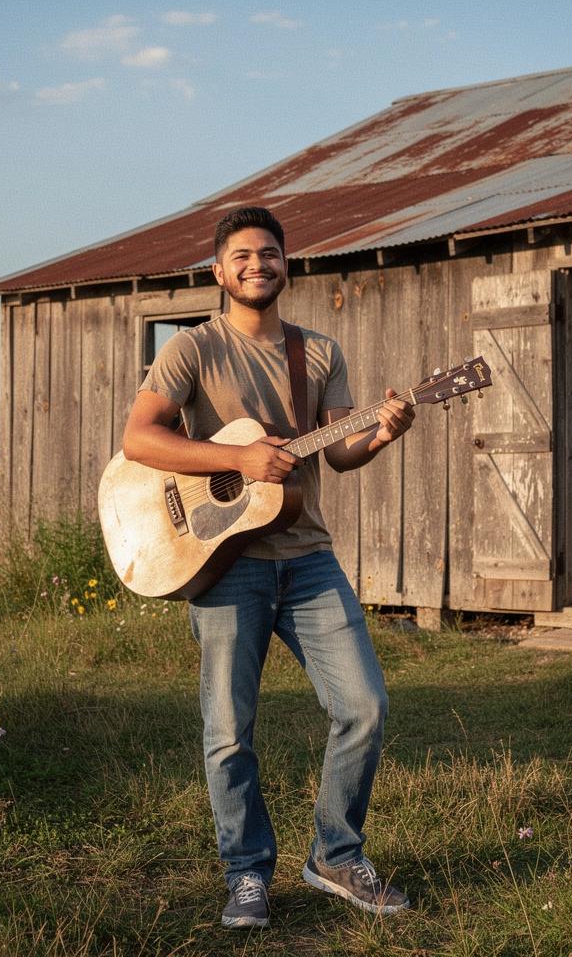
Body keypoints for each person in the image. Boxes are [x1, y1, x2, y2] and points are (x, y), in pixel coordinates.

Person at [121, 206, 414, 929]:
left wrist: (380, 432)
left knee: (365, 706)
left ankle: (336, 856)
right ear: (219, 271)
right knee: (228, 732)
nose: (259, 264)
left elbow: (337, 453)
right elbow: (139, 440)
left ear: (288, 265)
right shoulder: (191, 350)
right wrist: (238, 457)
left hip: (308, 558)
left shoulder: (317, 354)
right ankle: (247, 873)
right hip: (227, 564)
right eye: (243, 255)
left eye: (271, 254)